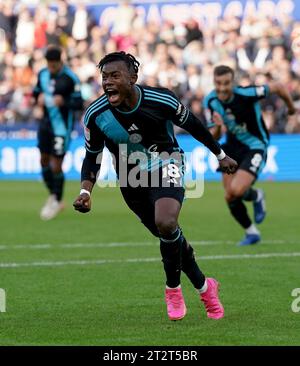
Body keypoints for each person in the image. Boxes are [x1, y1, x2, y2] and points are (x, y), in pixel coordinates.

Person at [73, 52, 238, 321]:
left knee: (165, 221)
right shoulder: (96, 114)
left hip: (167, 162)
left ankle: (172, 289)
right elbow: (92, 155)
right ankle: (206, 287)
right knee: (170, 235)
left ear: (133, 78)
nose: (108, 82)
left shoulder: (161, 99)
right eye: (104, 77)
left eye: (115, 76)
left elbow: (194, 125)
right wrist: (85, 191)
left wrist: (220, 154)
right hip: (130, 177)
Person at [204, 65, 296, 246]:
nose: (222, 88)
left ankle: (255, 196)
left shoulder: (247, 94)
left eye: (226, 83)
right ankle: (251, 232)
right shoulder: (211, 100)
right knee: (229, 196)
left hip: (255, 145)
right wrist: (219, 128)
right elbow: (214, 136)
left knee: (237, 190)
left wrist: (291, 108)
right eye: (218, 83)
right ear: (214, 82)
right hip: (231, 146)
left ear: (233, 82)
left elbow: (277, 87)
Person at [33, 45, 83, 220]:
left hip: (62, 128)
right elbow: (36, 92)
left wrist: (65, 100)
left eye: (54, 64)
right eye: (49, 64)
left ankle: (56, 199)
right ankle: (53, 195)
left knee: (56, 164)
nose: (51, 67)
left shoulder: (70, 78)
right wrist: (37, 98)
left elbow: (79, 102)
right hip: (45, 125)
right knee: (43, 160)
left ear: (60, 61)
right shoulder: (42, 74)